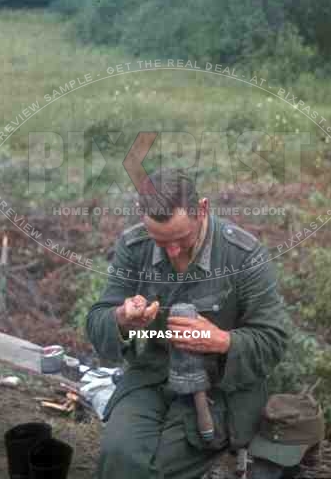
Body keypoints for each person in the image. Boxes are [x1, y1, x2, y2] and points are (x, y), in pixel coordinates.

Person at [86, 168, 290, 479]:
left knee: (155, 469)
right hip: (152, 378)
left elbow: (273, 340)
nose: (172, 251)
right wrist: (122, 319)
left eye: (181, 239)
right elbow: (98, 320)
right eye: (160, 241)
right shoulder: (134, 246)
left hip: (220, 388)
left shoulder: (243, 256)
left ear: (202, 210)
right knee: (117, 456)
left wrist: (222, 341)